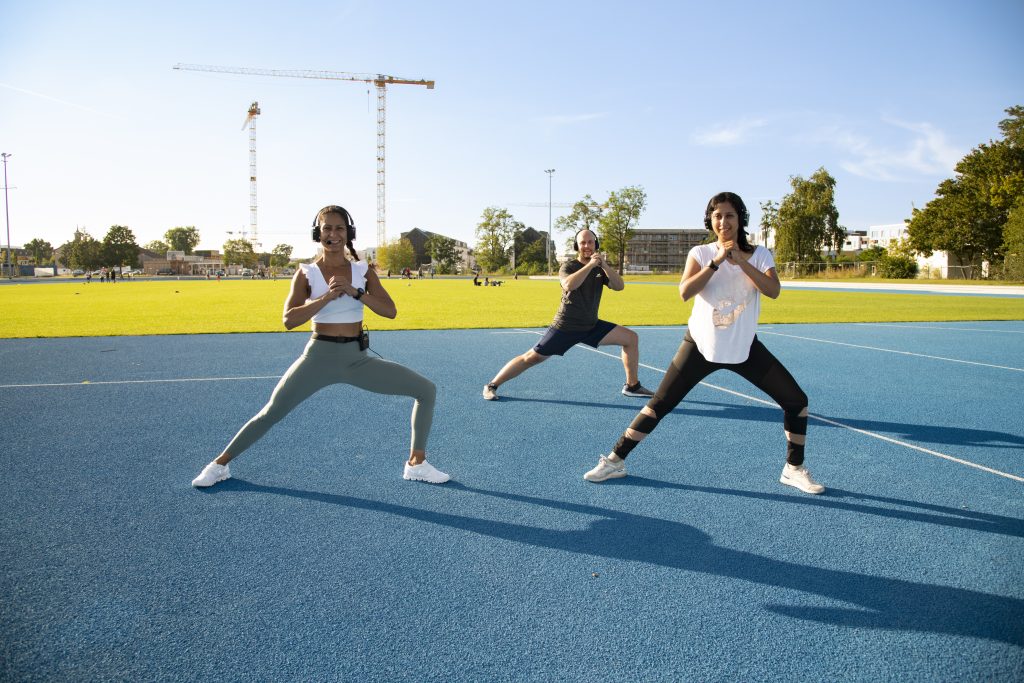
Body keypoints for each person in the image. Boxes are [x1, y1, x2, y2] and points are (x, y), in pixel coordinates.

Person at [582, 192, 824, 495]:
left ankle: (794, 469)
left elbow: (773, 290)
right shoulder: (700, 252)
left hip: (744, 347)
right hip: (700, 345)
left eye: (730, 215)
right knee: (660, 404)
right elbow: (685, 292)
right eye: (717, 215)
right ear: (710, 220)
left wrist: (739, 261)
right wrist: (717, 262)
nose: (723, 221)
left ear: (740, 219)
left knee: (796, 401)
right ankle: (615, 460)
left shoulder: (761, 254)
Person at [192, 204, 449, 488]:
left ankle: (416, 464)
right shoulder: (306, 273)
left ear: (348, 233)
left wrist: (356, 292)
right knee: (271, 412)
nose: (333, 234)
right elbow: (289, 320)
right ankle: (218, 465)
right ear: (318, 233)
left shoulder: (363, 271)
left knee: (426, 390)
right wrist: (326, 298)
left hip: (357, 360)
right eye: (327, 228)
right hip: (318, 359)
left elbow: (390, 311)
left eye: (339, 228)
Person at [482, 228, 654, 401]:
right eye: (582, 243)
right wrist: (590, 266)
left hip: (591, 326)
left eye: (590, 242)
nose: (587, 246)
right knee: (531, 358)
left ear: (596, 244)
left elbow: (619, 286)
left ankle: (632, 386)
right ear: (576, 246)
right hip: (566, 326)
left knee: (631, 338)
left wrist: (604, 265)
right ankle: (492, 385)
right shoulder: (569, 266)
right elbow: (569, 285)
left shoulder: (601, 268)